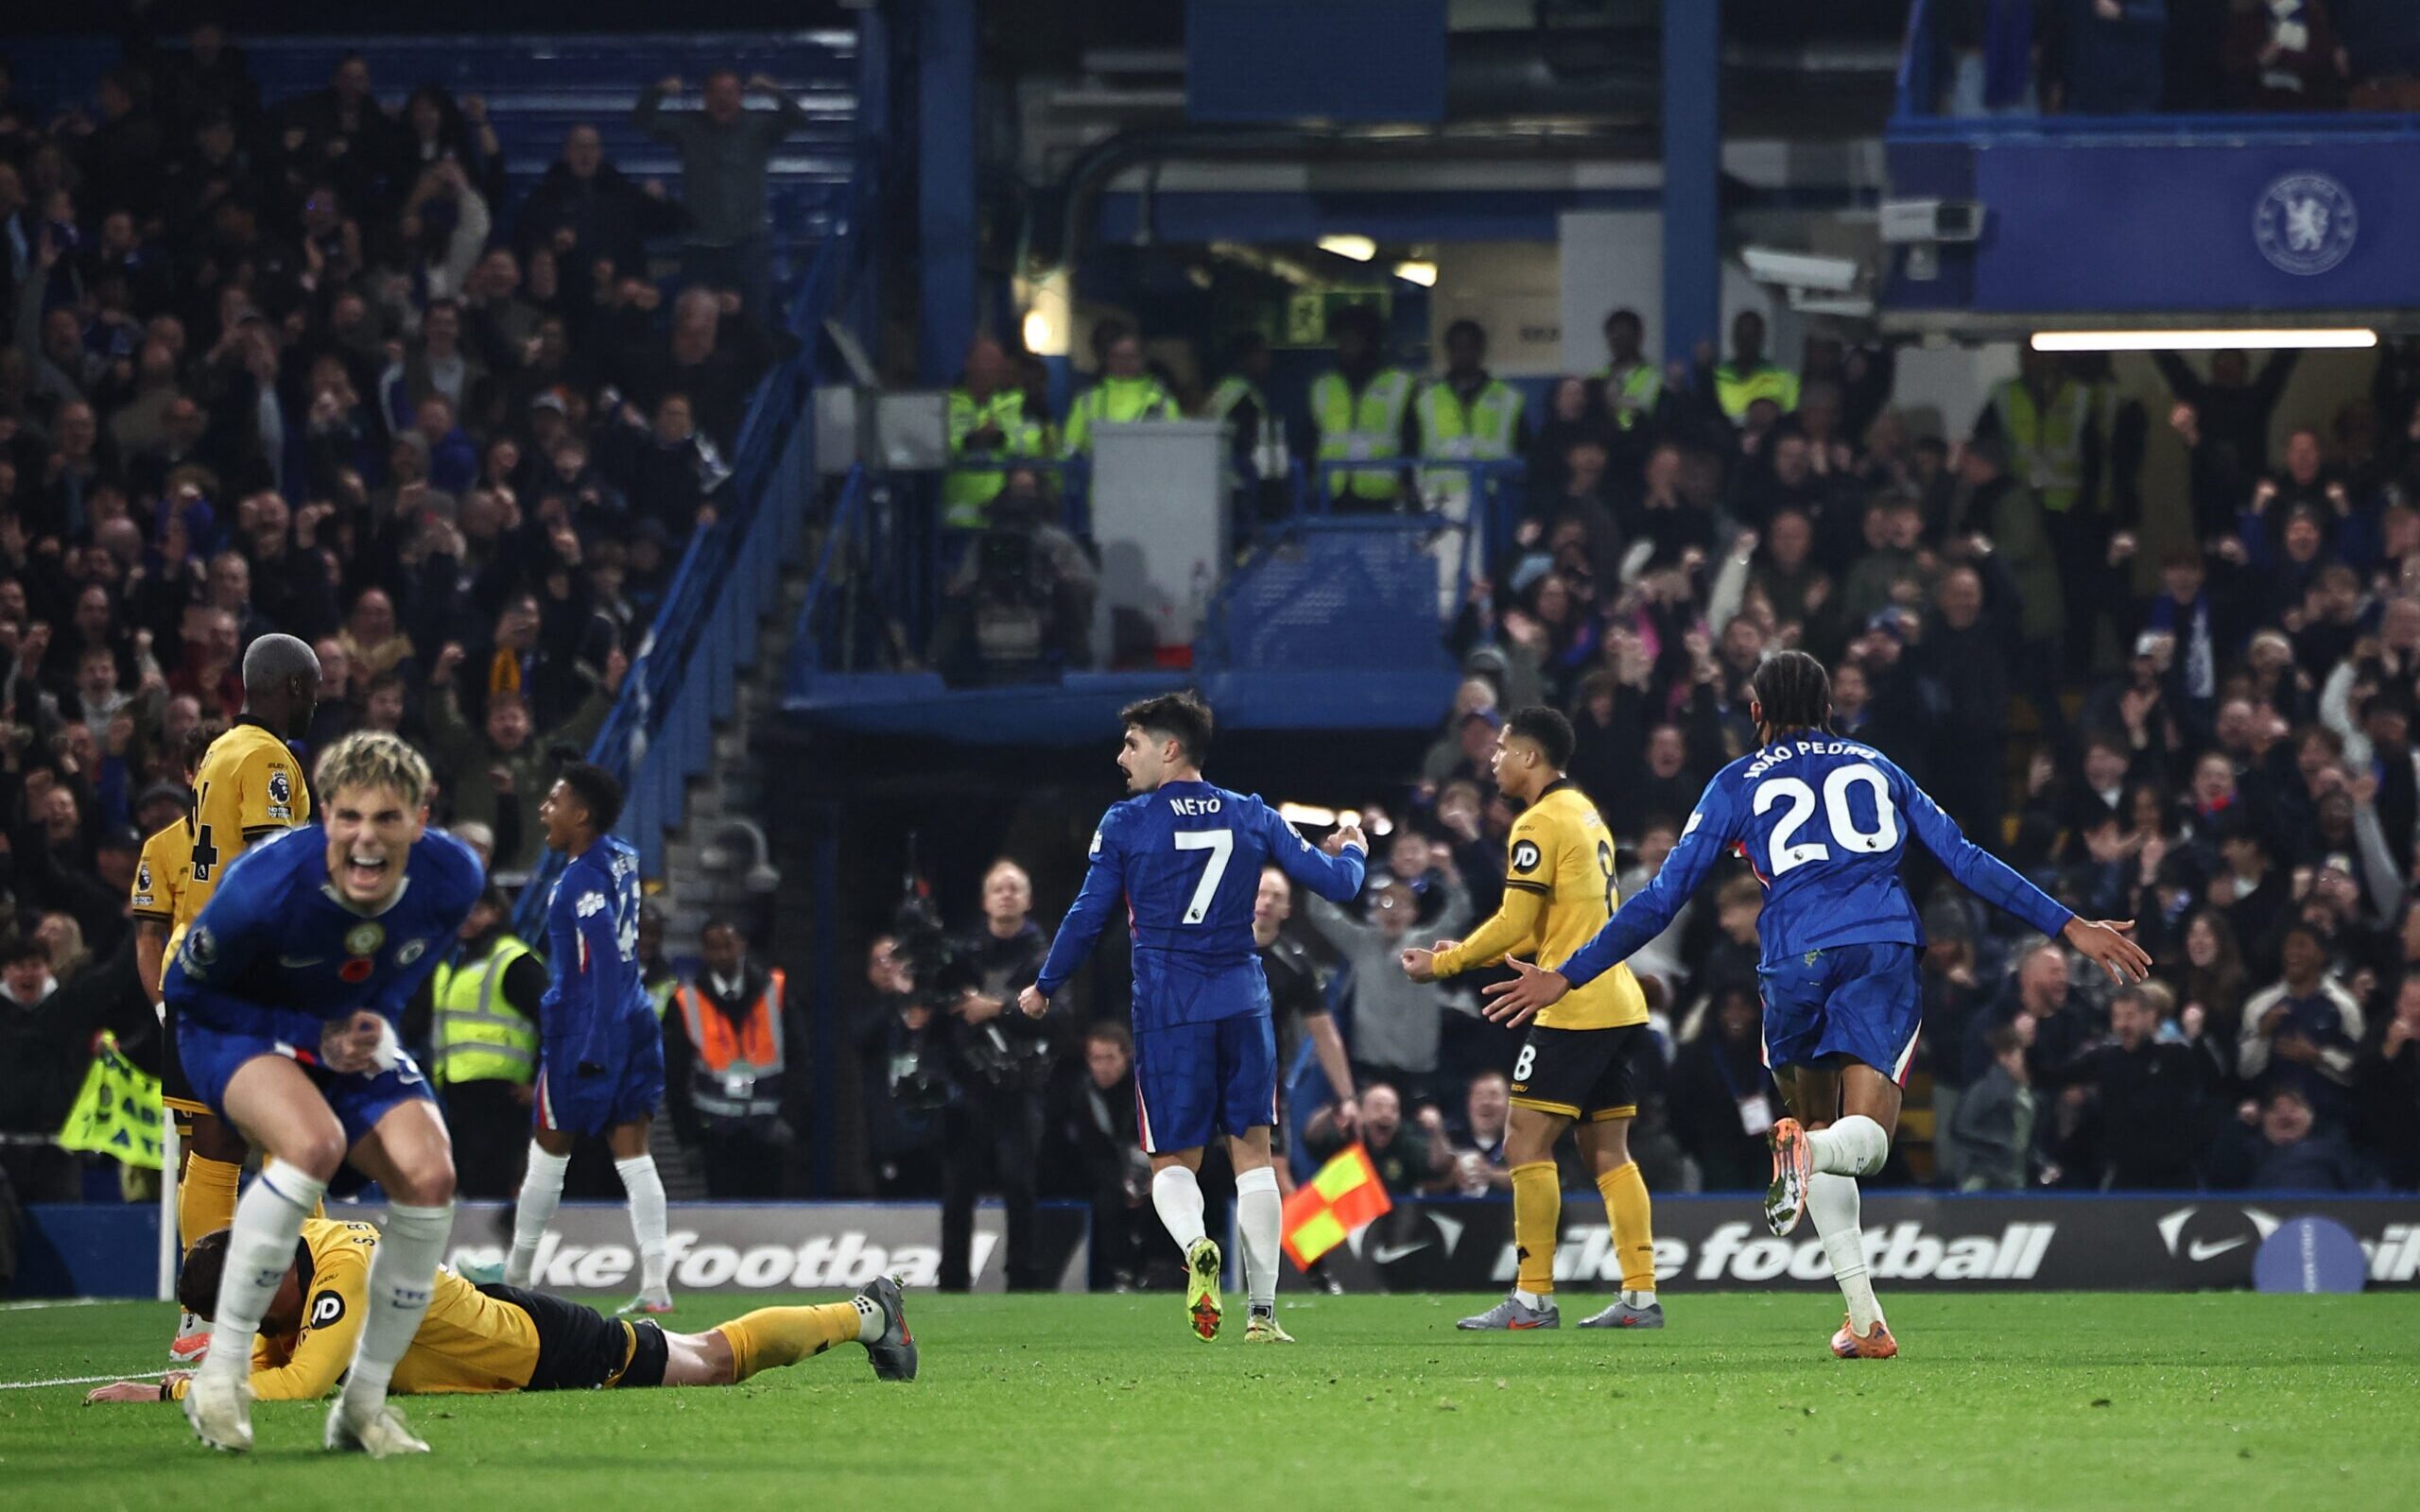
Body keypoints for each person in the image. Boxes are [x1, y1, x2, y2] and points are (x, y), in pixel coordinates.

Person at [1483, 651, 2150, 1360]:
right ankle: (1812, 1158)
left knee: (1820, 1128)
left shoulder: (1735, 781)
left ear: (1756, 714)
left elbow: (1661, 898)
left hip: (1791, 961)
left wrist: (1570, 973)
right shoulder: (1876, 765)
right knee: (1861, 1142)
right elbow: (1964, 856)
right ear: (1831, 709)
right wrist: (2067, 923)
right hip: (1879, 949)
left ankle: (1864, 1320)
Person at [165, 731, 484, 1455]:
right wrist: (306, 1033)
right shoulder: (265, 885)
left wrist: (376, 1017)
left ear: (420, 819)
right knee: (313, 1143)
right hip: (232, 1031)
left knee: (431, 1179)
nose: (366, 839)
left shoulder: (455, 877)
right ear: (325, 818)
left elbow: (406, 960)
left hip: (339, 1029)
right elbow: (189, 989)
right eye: (349, 818)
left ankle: (362, 1407)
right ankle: (220, 1377)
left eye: (387, 819)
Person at [1017, 692, 1367, 1343]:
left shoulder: (1126, 821)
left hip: (1170, 1007)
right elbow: (1340, 885)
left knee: (1172, 1160)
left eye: (1133, 743)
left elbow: (1086, 917)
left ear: (1169, 747)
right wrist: (1352, 850)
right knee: (1255, 1156)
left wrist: (1044, 985)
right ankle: (1263, 1314)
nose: (1122, 756)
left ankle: (1196, 1246)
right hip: (1242, 998)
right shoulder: (1253, 814)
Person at [1401, 707, 1663, 1331]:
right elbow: (1552, 920)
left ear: (1529, 757)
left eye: (1501, 749)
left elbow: (1516, 923)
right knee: (1607, 1152)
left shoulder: (1539, 822)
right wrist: (1466, 950)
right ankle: (1640, 1295)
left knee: (1523, 1139)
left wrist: (1447, 964)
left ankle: (1533, 1297)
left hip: (1574, 1006)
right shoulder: (1586, 814)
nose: (1492, 760)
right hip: (1616, 999)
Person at [88, 1218, 913, 1405]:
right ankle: (868, 1316)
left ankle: (868, 1315)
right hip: (496, 1325)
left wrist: (176, 1393)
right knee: (698, 1354)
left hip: (537, 1350)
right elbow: (270, 1357)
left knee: (710, 1364)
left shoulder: (344, 1272)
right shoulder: (292, 1265)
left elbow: (301, 1382)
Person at [164, 636, 320, 1362]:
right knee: (298, 1134)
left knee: (215, 1145)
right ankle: (315, 1296)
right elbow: (270, 864)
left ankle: (201, 1321)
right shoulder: (267, 758)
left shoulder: (221, 752)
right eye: (312, 687)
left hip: (198, 963)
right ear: (288, 686)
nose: (317, 699)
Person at [475, 766, 671, 1315]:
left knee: (547, 1151)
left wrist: (592, 1045)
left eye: (555, 800)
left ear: (581, 815)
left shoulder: (581, 878)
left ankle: (517, 1274)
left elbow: (602, 955)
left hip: (589, 1024)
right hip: (636, 1015)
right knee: (634, 1156)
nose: (545, 809)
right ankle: (656, 1283)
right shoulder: (624, 856)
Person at [939, 859, 1053, 1292]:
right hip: (968, 1084)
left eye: (1015, 888)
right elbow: (939, 1008)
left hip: (1021, 1086)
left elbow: (1059, 1014)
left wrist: (998, 1007)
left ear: (1028, 899)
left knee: (1020, 1183)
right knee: (957, 1189)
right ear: (985, 901)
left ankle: (1023, 1280)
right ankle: (951, 1281)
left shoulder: (1045, 955)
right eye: (998, 888)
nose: (1006, 894)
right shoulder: (961, 956)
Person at [631, 70, 814, 321]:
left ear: (741, 97)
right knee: (696, 320)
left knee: (752, 322)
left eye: (729, 93)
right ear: (705, 98)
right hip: (701, 247)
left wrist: (775, 92)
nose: (723, 99)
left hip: (749, 245)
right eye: (715, 93)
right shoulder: (687, 126)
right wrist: (658, 92)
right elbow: (642, 122)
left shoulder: (759, 126)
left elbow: (799, 119)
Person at [428, 884, 545, 1200]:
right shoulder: (452, 963)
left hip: (502, 1094)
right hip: (457, 1091)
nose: (467, 917)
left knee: (494, 1182)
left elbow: (555, 1022)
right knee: (465, 1181)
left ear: (496, 912)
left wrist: (538, 1080)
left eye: (477, 909)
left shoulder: (513, 960)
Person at [666, 919, 794, 1197]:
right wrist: (689, 1141)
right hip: (718, 1138)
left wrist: (790, 1118)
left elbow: (800, 1059)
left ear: (742, 945)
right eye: (713, 948)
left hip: (768, 1132)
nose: (722, 955)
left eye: (728, 946)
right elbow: (675, 1078)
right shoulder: (687, 1001)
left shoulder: (774, 989)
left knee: (769, 1226)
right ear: (704, 952)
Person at [1307, 304, 1416, 509]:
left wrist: (1408, 482)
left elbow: (1412, 439)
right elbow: (1309, 439)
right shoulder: (1323, 386)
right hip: (1330, 495)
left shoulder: (1400, 384)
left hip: (1382, 495)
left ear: (1371, 342)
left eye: (1353, 340)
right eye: (1341, 340)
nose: (1346, 347)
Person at [1060, 322, 1178, 457]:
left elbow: (1175, 448)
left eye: (1131, 357)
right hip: (1099, 476)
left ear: (1143, 359)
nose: (1124, 363)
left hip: (1148, 476)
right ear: (1107, 359)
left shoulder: (1163, 401)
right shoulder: (1087, 400)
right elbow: (1069, 448)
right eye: (1117, 357)